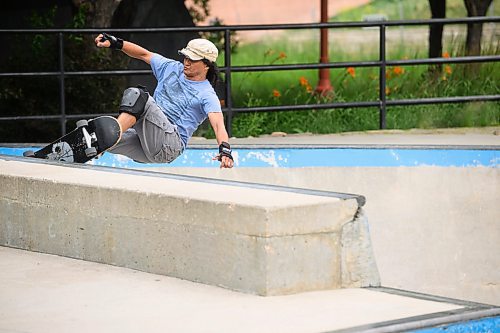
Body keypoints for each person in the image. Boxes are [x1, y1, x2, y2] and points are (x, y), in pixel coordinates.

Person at [94, 33, 234, 168]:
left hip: (169, 146)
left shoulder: (207, 94)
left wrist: (225, 149)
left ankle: (112, 133)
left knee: (138, 95)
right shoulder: (170, 67)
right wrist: (115, 43)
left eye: (192, 59)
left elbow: (218, 125)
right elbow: (144, 54)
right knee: (100, 140)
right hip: (146, 143)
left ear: (207, 65)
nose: (187, 62)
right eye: (185, 57)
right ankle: (94, 144)